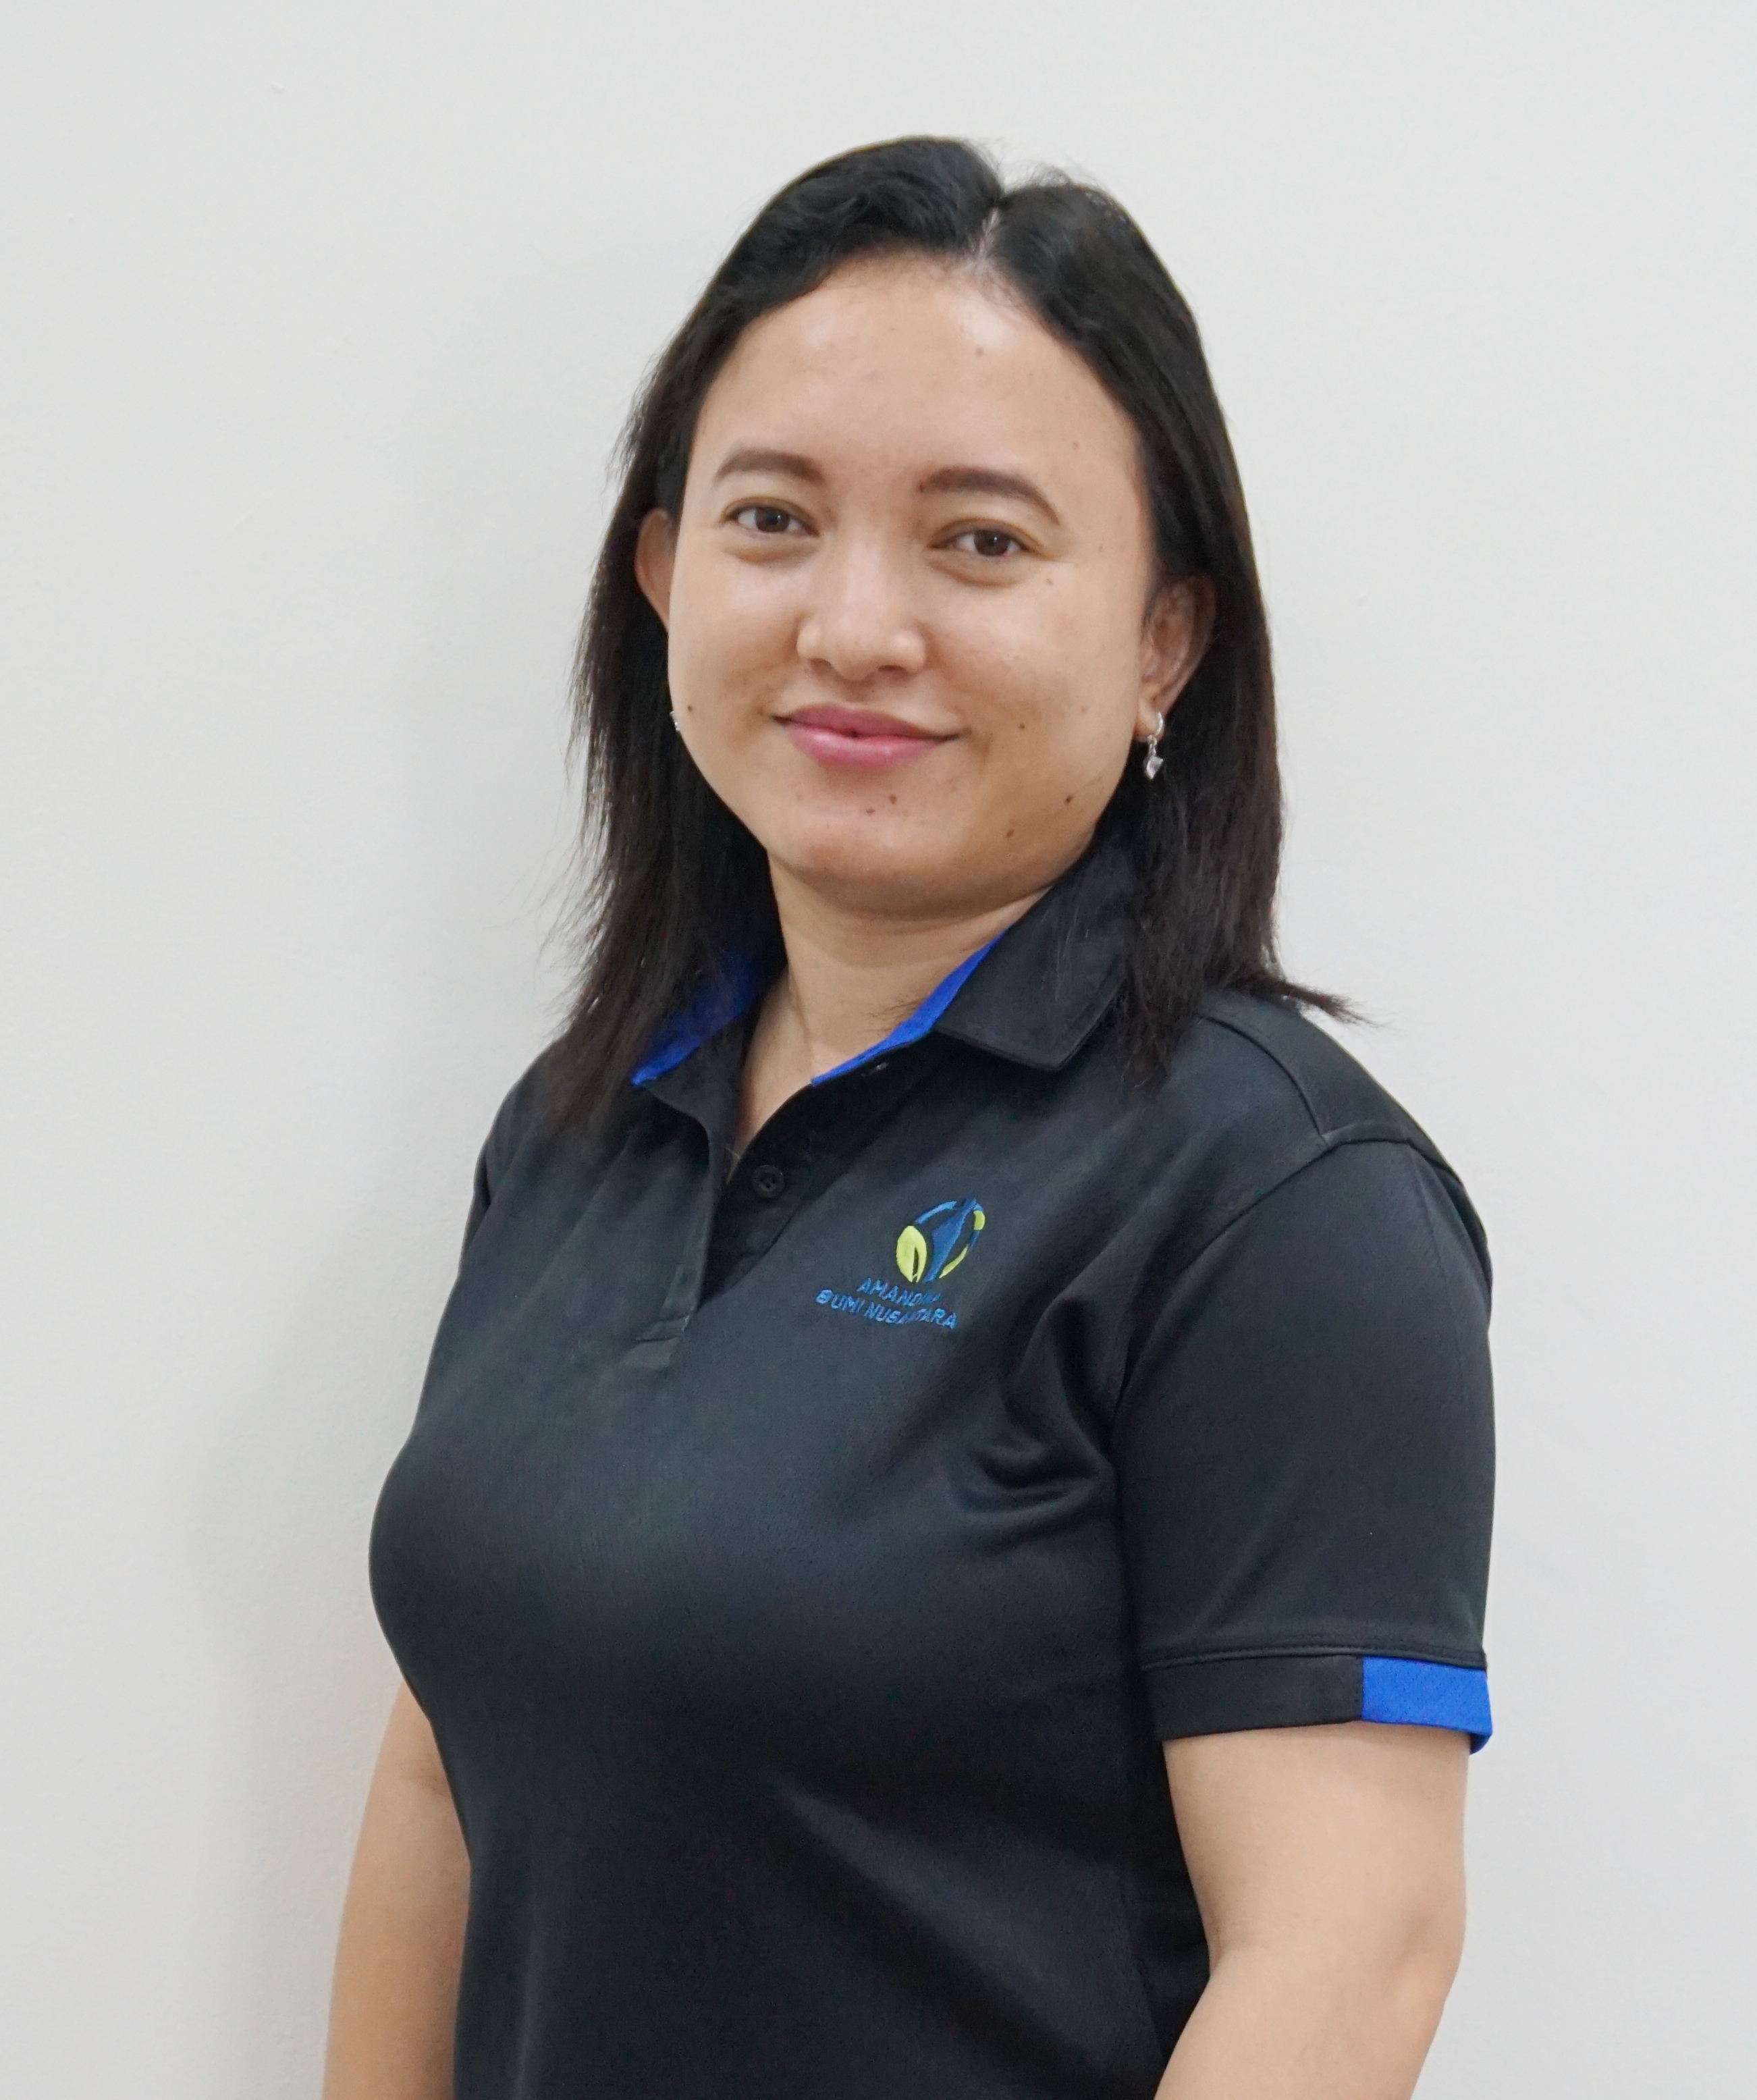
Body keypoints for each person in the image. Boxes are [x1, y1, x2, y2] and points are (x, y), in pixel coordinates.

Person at [325, 137, 1495, 2100]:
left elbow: (1345, 1952)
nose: (855, 626)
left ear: (1164, 638)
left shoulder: (1280, 1197)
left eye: (981, 543)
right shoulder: (578, 1126)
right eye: (773, 520)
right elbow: (448, 1762)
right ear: (660, 576)